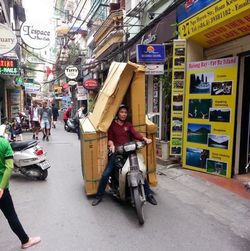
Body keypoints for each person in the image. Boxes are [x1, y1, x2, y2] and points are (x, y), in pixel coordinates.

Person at [92, 105, 157, 206]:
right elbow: (110, 138)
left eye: (125, 112)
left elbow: (136, 134)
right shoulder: (112, 125)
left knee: (139, 170)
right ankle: (99, 196)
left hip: (129, 151)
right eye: (122, 112)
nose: (123, 114)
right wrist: (112, 145)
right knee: (106, 173)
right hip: (117, 153)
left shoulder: (128, 125)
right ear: (117, 113)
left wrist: (145, 139)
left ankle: (148, 194)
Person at [0, 126, 41, 249]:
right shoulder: (3, 143)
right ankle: (25, 241)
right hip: (2, 190)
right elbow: (9, 167)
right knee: (11, 216)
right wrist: (1, 187)